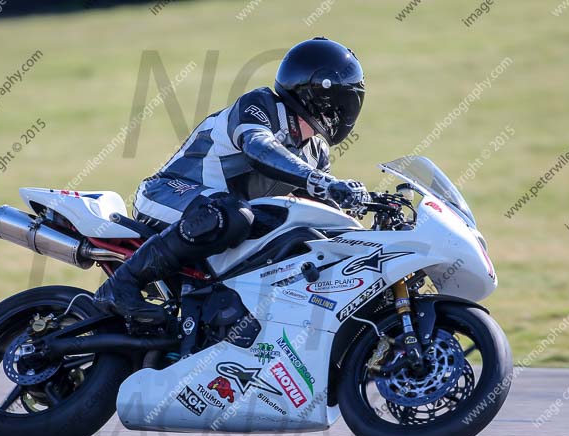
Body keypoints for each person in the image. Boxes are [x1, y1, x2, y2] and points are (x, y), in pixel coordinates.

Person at [94, 37, 370, 325]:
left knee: (295, 235)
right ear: (326, 96)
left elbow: (324, 217)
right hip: (166, 193)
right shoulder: (261, 104)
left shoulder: (315, 152)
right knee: (233, 213)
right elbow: (259, 148)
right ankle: (120, 286)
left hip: (223, 217)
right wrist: (320, 180)